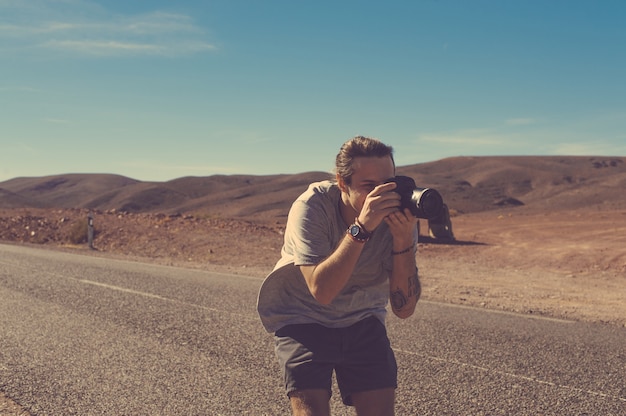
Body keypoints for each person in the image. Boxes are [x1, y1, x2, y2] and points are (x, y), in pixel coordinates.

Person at [257, 136, 420, 416]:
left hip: (362, 317)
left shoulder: (400, 217)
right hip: (302, 316)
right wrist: (362, 227)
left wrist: (403, 240)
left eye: (388, 184)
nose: (381, 195)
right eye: (369, 186)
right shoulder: (312, 206)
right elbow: (322, 292)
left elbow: (404, 309)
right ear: (342, 183)